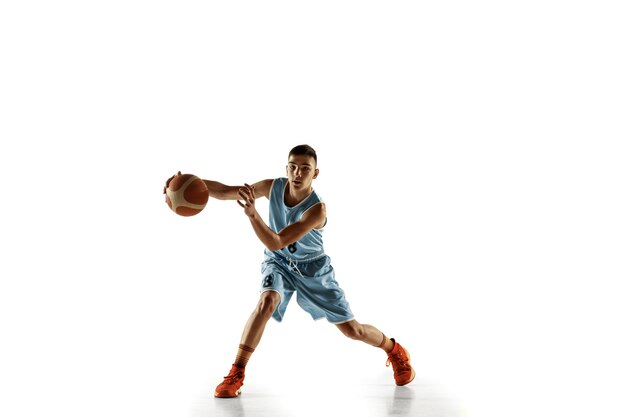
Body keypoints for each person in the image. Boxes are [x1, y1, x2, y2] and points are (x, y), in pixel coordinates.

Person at [165, 144, 414, 398]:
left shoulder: (317, 210)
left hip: (313, 269)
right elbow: (227, 191)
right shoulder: (271, 187)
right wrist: (187, 183)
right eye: (293, 167)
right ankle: (236, 372)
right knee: (267, 301)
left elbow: (276, 240)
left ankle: (394, 351)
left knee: (353, 331)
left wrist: (253, 215)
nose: (297, 173)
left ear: (315, 173)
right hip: (279, 262)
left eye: (305, 169)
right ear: (286, 168)